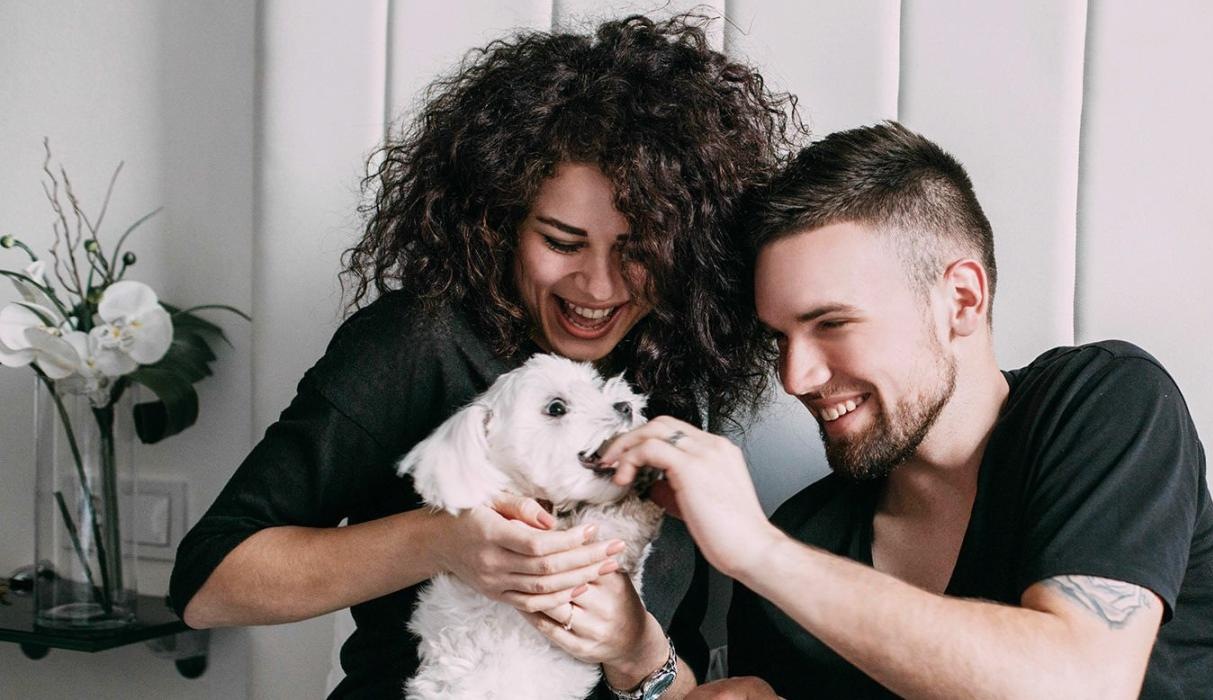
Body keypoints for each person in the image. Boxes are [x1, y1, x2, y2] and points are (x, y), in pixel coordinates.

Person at [168, 15, 799, 699]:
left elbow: (674, 669)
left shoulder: (666, 377)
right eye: (562, 241)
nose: (599, 287)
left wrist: (644, 653)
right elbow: (209, 585)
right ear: (499, 219)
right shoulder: (420, 342)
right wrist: (439, 542)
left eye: (639, 250)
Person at [596, 121, 1213, 699]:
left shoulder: (1103, 402)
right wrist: (639, 656)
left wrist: (756, 551)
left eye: (832, 323)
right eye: (780, 337)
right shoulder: (804, 543)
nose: (794, 375)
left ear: (961, 299)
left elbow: (1080, 683)